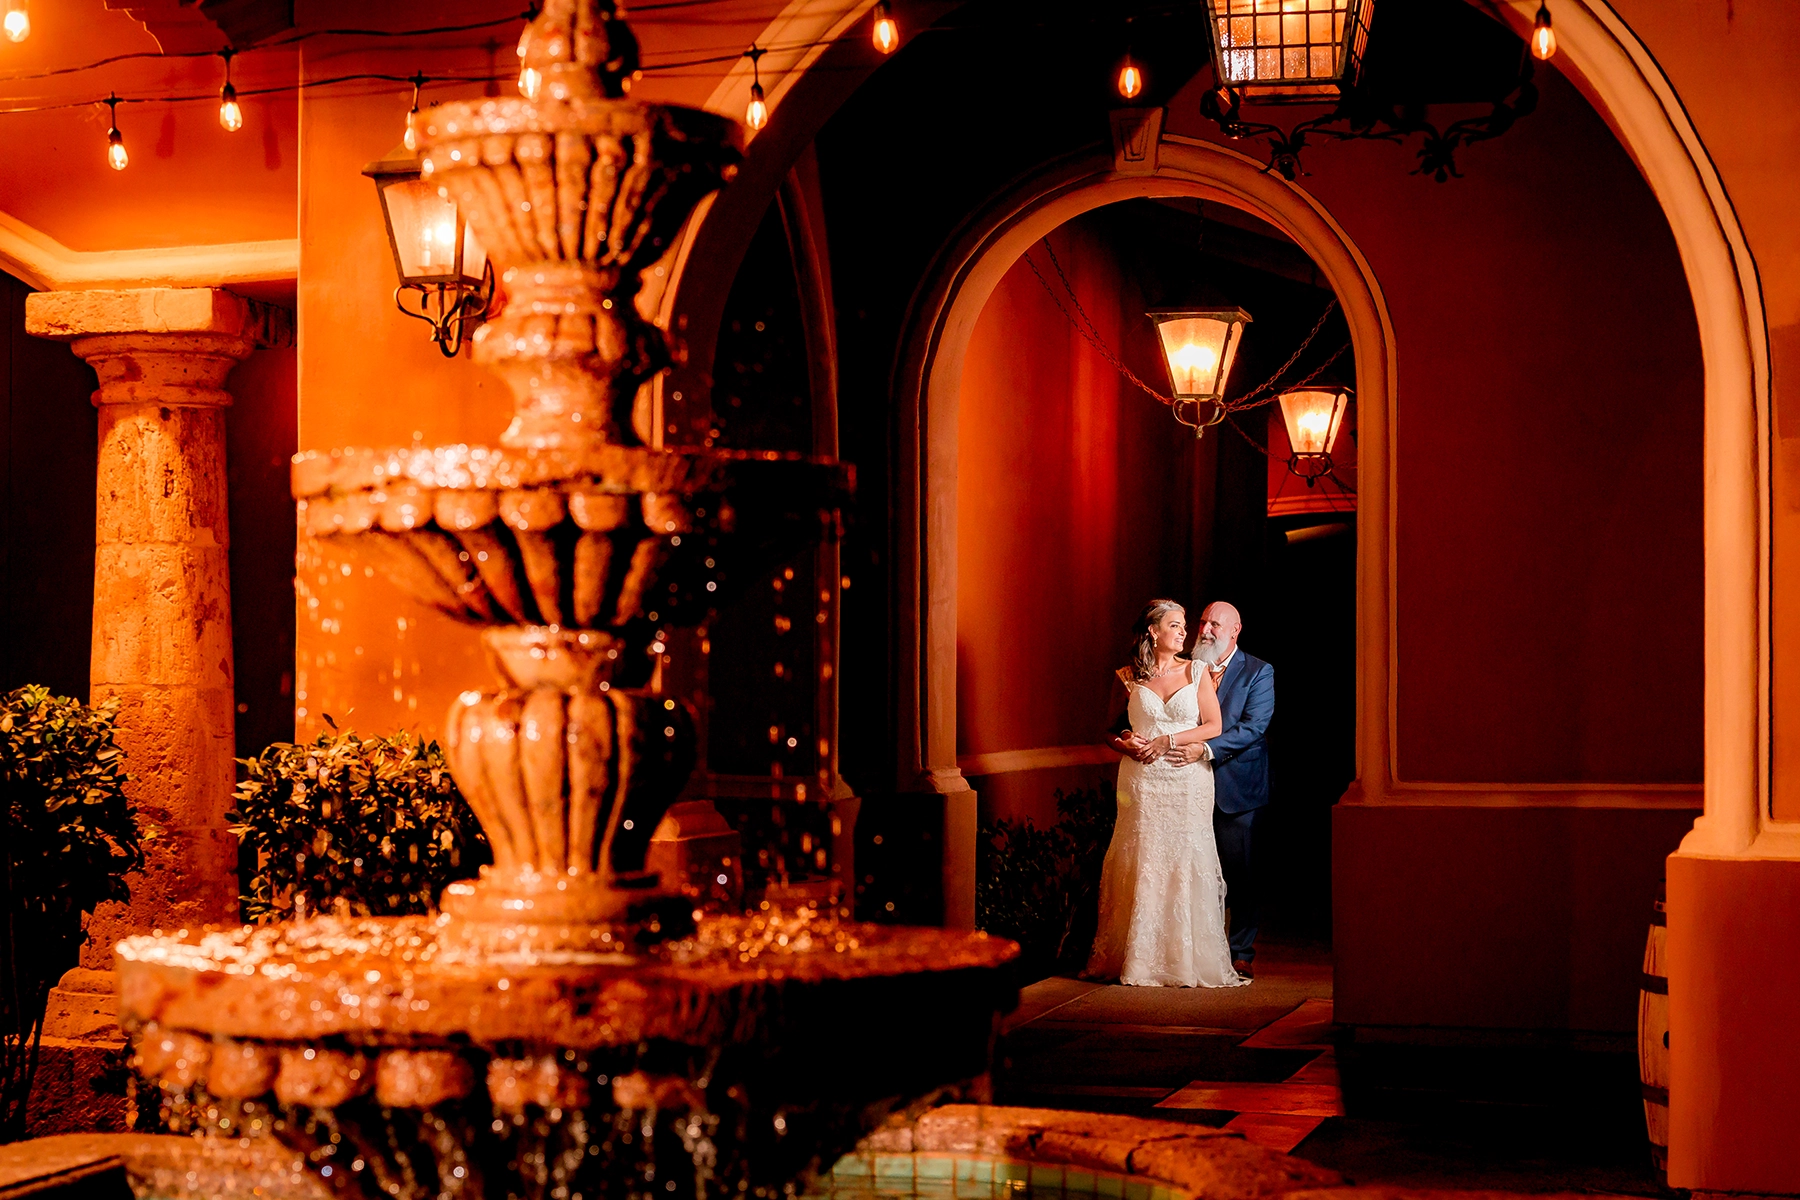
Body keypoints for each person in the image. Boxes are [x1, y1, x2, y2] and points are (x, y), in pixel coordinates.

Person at [1085, 599, 1247, 988]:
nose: (1183, 632)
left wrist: (1168, 738)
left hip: (1186, 779)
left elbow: (1214, 724)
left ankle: (1185, 958)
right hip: (1142, 781)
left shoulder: (1197, 671)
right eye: (1174, 625)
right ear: (1153, 631)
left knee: (1186, 855)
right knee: (1142, 857)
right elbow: (1110, 730)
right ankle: (1137, 958)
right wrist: (1124, 743)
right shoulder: (1127, 677)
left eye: (1183, 625)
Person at [1167, 600, 1274, 977]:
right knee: (1193, 869)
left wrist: (1206, 749)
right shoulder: (1183, 669)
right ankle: (1197, 949)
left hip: (1238, 788)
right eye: (1202, 622)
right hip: (1186, 786)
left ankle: (1240, 950)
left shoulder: (1258, 672)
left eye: (1215, 624)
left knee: (1240, 871)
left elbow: (1253, 727)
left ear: (1235, 630)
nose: (1206, 630)